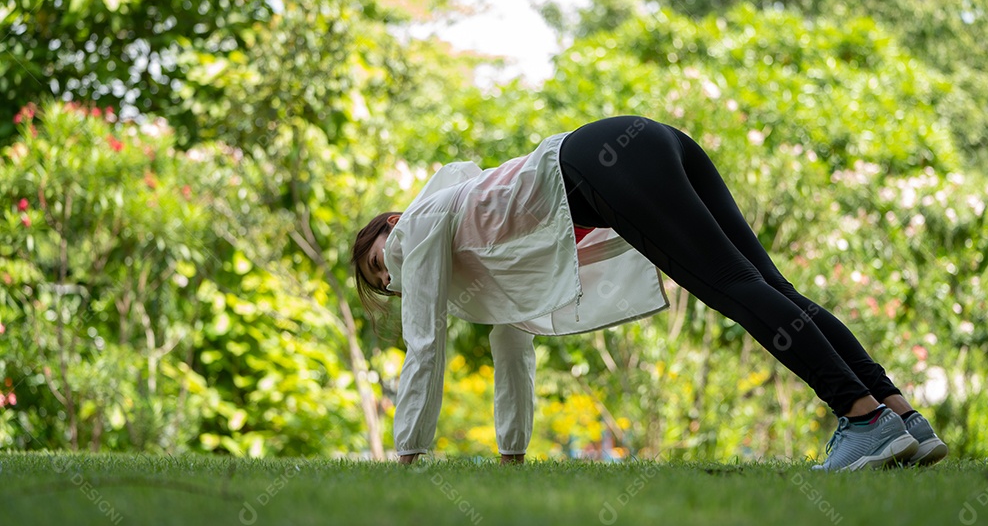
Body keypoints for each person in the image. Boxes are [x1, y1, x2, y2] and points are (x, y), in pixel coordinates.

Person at [352, 115, 948, 471]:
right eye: (385, 282)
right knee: (766, 284)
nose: (394, 278)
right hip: (639, 140)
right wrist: (513, 456)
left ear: (391, 227)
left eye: (382, 263)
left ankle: (861, 419)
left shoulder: (420, 230)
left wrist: (408, 455)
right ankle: (901, 418)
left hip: (596, 160)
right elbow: (514, 337)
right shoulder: (474, 247)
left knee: (735, 287)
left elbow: (424, 342)